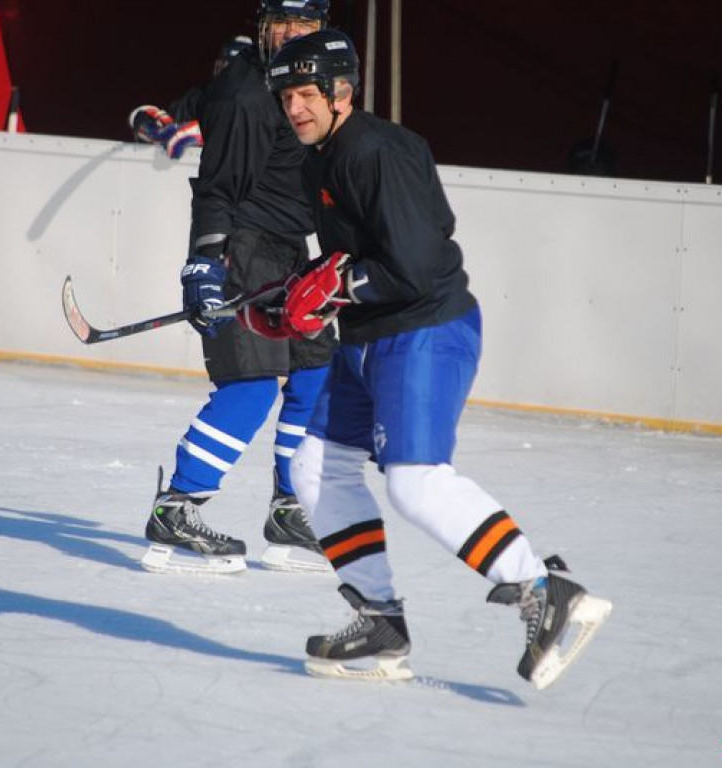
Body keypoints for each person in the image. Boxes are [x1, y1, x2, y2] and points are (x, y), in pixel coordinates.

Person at [241, 29, 611, 688]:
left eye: (305, 93)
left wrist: (336, 288)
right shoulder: (319, 156)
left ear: (341, 91)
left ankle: (540, 588)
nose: (294, 107)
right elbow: (346, 254)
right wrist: (281, 294)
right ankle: (379, 617)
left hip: (424, 332)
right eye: (285, 95)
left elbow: (411, 265)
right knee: (317, 467)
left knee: (414, 481)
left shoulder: (377, 151)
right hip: (366, 337)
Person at [139, 1, 336, 575]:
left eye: (306, 25)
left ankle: (288, 509)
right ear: (262, 26)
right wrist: (206, 262)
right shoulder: (245, 94)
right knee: (251, 385)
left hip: (291, 254)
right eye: (284, 22)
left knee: (315, 374)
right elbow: (219, 187)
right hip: (245, 251)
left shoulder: (301, 88)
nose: (294, 34)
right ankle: (178, 506)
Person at [128, 35, 255, 160]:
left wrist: (205, 134)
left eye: (235, 69)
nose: (227, 74)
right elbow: (171, 120)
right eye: (224, 65)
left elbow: (258, 138)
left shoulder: (264, 103)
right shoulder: (201, 96)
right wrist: (147, 121)